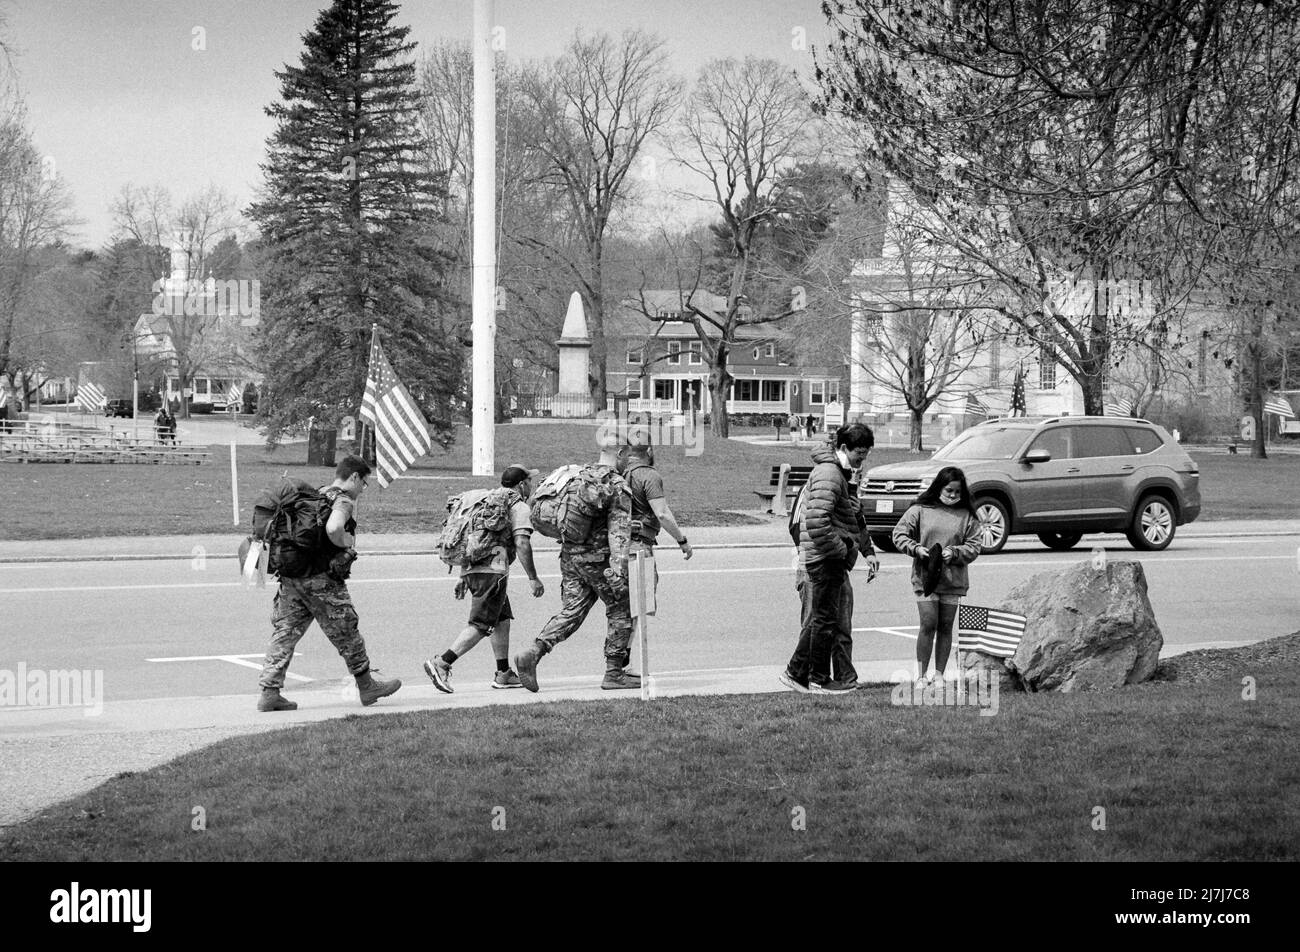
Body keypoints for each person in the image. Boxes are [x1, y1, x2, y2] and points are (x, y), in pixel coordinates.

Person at [256, 455, 402, 712]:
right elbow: (334, 528)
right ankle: (367, 686)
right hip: (321, 580)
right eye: (364, 483)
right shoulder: (343, 500)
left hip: (292, 577)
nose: (362, 490)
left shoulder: (317, 494)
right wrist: (346, 542)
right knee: (347, 631)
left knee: (285, 632)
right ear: (354, 477)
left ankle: (270, 692)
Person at [513, 455, 638, 693]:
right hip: (598, 559)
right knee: (622, 608)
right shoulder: (615, 484)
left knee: (572, 611)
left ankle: (534, 651)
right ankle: (614, 673)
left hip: (570, 556)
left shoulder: (572, 478)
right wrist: (619, 571)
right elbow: (618, 532)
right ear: (619, 458)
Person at [424, 464, 545, 693]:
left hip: (474, 567)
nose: (532, 485)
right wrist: (533, 578)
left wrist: (463, 574)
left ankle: (503, 673)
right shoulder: (517, 506)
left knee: (502, 618)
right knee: (481, 624)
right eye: (530, 481)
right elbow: (522, 542)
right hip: (493, 573)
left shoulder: (487, 502)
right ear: (521, 484)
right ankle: (441, 663)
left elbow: (472, 538)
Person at [780, 422, 877, 694]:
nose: (863, 459)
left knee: (825, 620)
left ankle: (800, 674)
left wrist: (864, 549)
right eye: (860, 453)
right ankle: (817, 678)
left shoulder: (842, 474)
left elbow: (852, 516)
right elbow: (813, 520)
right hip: (823, 557)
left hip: (827, 555)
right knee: (822, 621)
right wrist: (840, 549)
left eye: (867, 453)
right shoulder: (830, 474)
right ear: (844, 448)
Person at [891, 465, 983, 684]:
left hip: (953, 579)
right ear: (938, 487)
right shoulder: (920, 510)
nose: (952, 495)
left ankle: (939, 674)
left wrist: (956, 552)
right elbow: (899, 533)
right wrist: (916, 548)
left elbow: (975, 546)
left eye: (957, 492)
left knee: (945, 625)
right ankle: (921, 675)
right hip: (926, 577)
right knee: (928, 622)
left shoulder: (967, 516)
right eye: (949, 490)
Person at [617, 435, 693, 620]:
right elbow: (662, 514)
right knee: (639, 610)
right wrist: (682, 541)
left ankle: (620, 649)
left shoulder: (621, 476)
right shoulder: (649, 475)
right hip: (639, 548)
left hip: (618, 546)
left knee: (623, 611)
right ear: (649, 451)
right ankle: (624, 649)